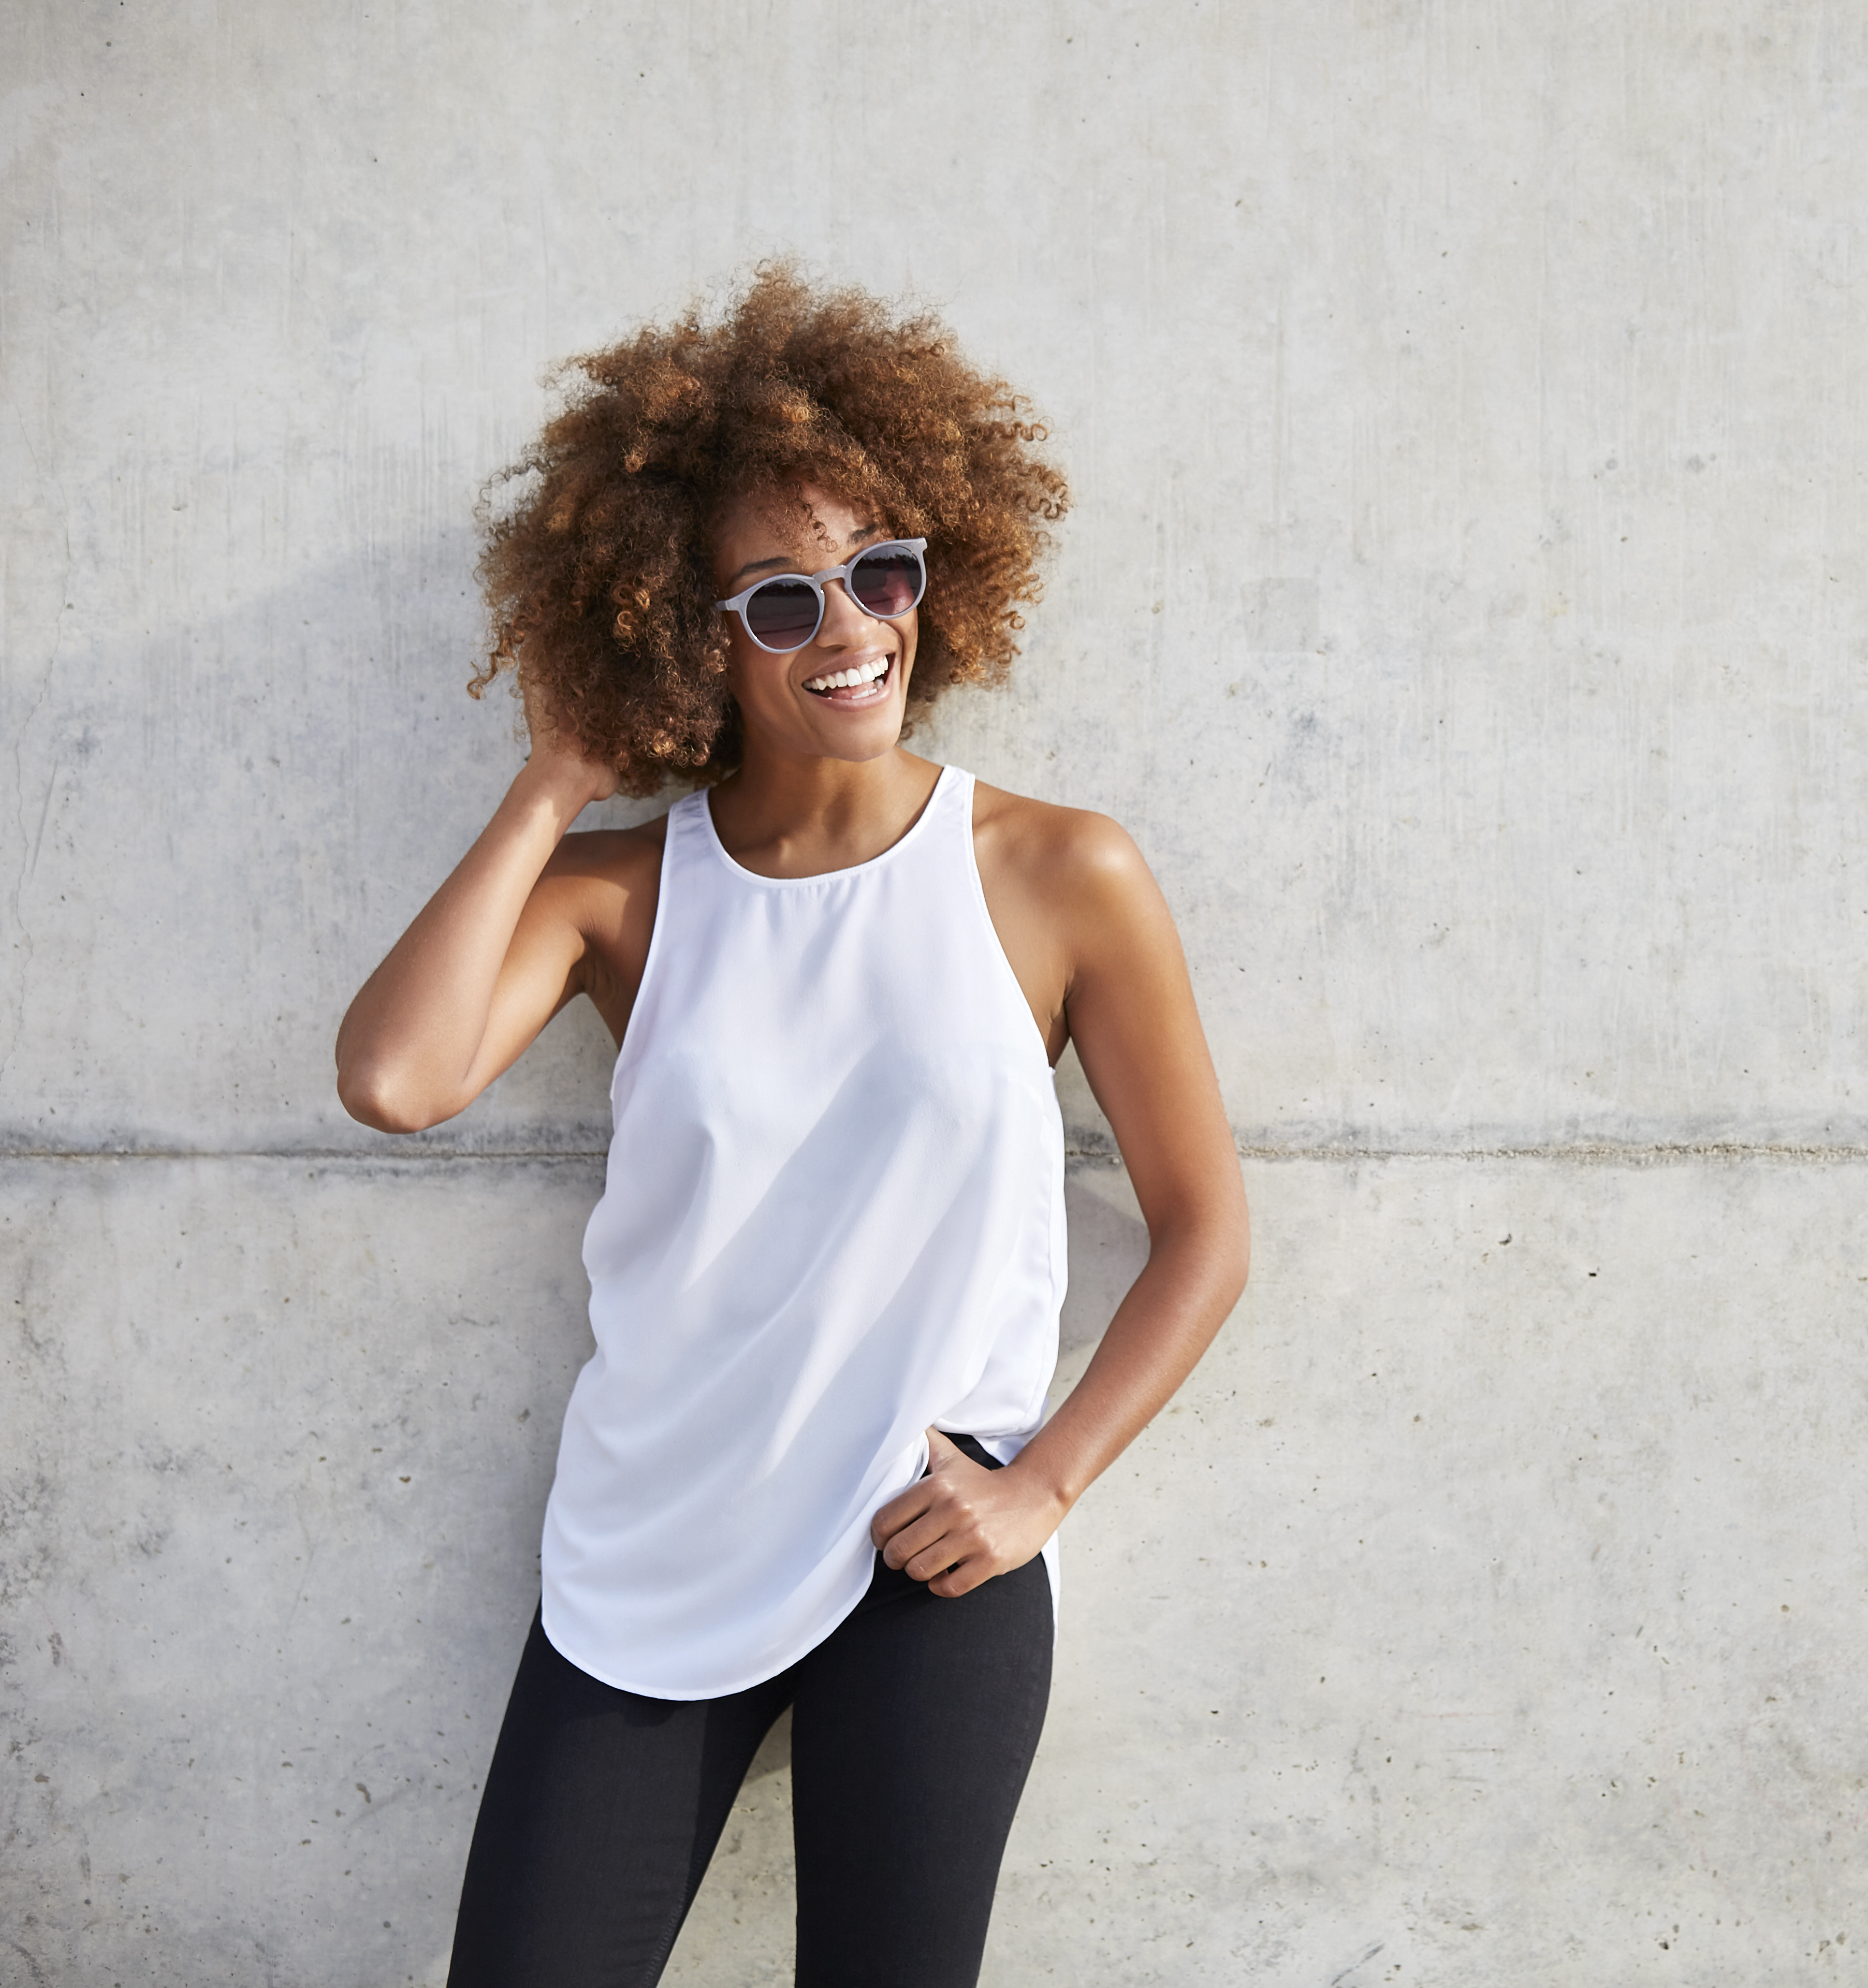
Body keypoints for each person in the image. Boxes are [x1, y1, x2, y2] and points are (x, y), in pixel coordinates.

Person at [333, 266, 1249, 1986]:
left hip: (927, 1570)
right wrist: (549, 781)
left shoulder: (1059, 874)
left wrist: (1040, 1487)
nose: (850, 630)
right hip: (647, 1555)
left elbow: (1205, 1227)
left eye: (879, 575)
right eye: (777, 601)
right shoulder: (620, 895)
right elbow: (395, 1080)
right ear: (690, 637)